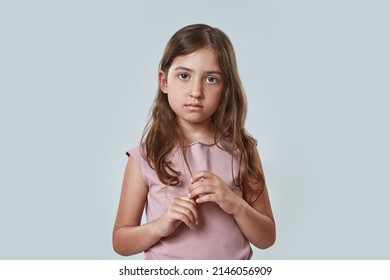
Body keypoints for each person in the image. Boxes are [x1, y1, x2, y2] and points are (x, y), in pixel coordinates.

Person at [112, 23, 276, 260]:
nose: (196, 91)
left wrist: (234, 204)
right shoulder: (144, 155)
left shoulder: (243, 150)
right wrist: (161, 225)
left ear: (225, 87)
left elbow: (267, 238)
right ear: (164, 81)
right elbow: (121, 242)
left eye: (211, 79)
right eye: (184, 76)